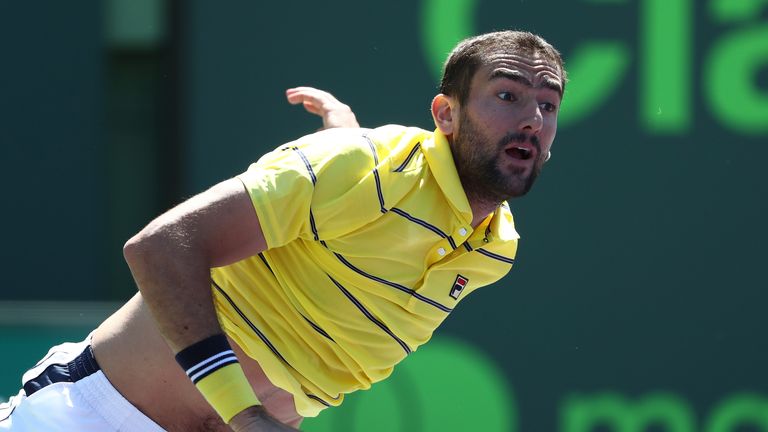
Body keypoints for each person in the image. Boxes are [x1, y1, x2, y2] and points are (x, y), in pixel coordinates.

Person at [0, 30, 566, 431]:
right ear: (445, 113)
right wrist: (245, 416)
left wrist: (339, 140)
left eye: (547, 105)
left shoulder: (495, 250)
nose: (531, 121)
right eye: (507, 95)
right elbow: (160, 249)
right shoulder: (362, 166)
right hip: (89, 418)